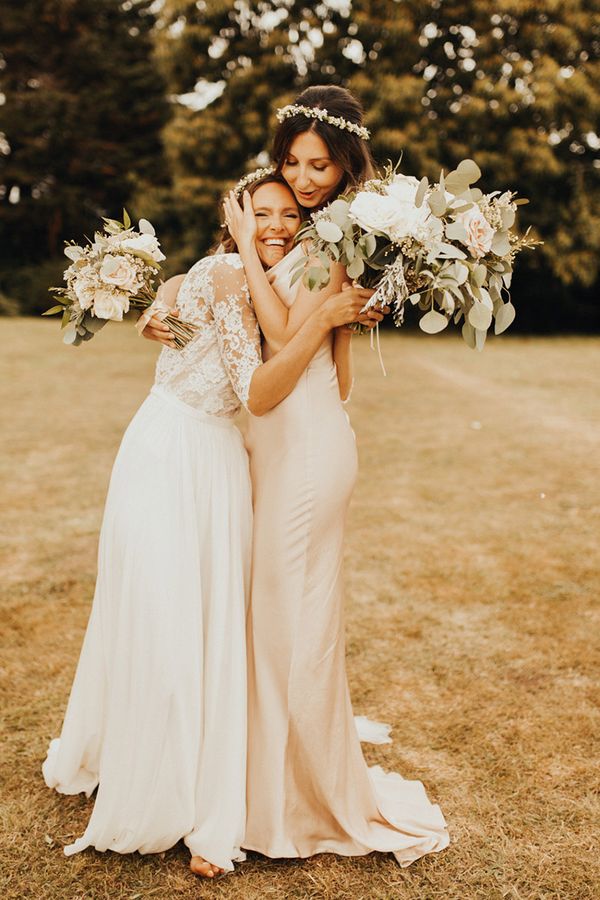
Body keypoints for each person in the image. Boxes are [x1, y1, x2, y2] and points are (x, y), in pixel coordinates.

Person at [43, 175, 379, 879]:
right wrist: (314, 318)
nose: (279, 225)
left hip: (195, 452)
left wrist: (340, 320)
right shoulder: (230, 270)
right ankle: (175, 790)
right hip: (183, 455)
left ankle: (181, 771)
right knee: (173, 620)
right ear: (234, 215)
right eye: (262, 213)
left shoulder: (236, 271)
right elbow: (255, 389)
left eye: (290, 214)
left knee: (197, 622)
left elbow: (305, 357)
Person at [225, 85, 450, 866]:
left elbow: (287, 348)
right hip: (288, 444)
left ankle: (298, 804)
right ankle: (270, 786)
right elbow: (324, 356)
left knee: (295, 628)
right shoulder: (316, 236)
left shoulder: (336, 241)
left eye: (319, 163)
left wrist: (260, 260)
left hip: (310, 449)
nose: (306, 176)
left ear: (347, 161)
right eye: (292, 161)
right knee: (280, 622)